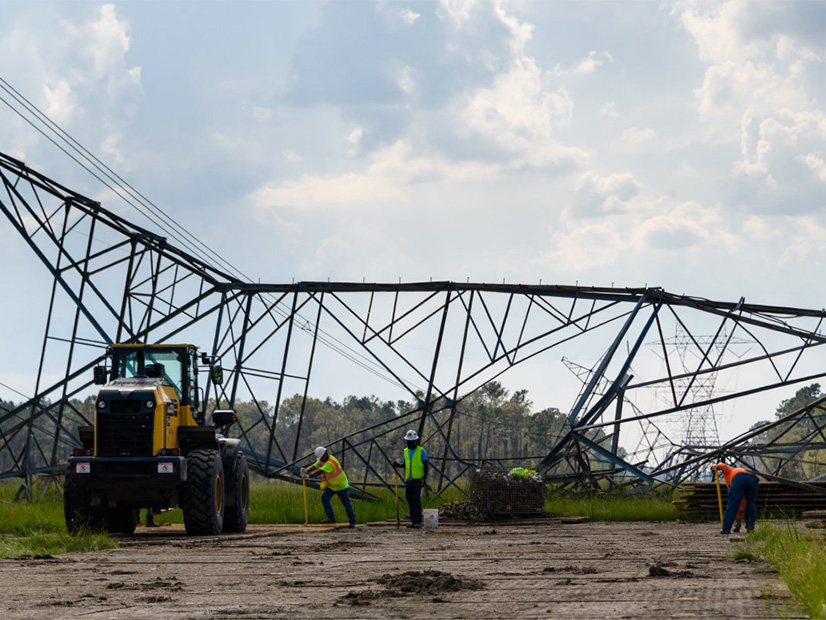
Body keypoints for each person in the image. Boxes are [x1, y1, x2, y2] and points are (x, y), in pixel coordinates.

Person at [304, 446, 356, 528]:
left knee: (346, 503)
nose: (320, 459)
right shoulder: (322, 460)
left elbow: (320, 471)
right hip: (331, 486)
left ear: (325, 454)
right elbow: (314, 466)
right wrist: (305, 470)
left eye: (321, 457)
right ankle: (331, 518)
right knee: (324, 498)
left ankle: (352, 522)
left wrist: (308, 476)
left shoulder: (331, 463)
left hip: (341, 485)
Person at [393, 430, 429, 529]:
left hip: (418, 479)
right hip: (409, 479)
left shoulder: (421, 451)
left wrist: (425, 478)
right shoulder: (405, 451)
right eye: (408, 442)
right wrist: (398, 465)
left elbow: (426, 465)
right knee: (409, 498)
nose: (409, 443)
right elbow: (405, 465)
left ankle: (418, 521)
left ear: (415, 441)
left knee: (416, 499)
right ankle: (413, 521)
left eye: (411, 442)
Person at [711, 462, 759, 535]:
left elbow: (722, 466)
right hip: (754, 478)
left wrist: (713, 467)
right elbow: (742, 505)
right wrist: (738, 521)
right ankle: (750, 528)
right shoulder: (741, 471)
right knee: (750, 504)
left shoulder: (730, 470)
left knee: (732, 504)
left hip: (739, 478)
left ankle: (726, 529)